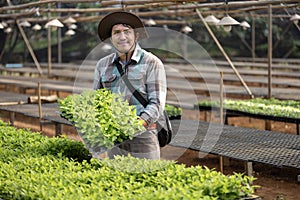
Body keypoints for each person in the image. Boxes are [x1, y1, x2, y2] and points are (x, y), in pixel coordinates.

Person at [93, 11, 167, 160]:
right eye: (116, 32)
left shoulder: (152, 62)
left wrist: (136, 124)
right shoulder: (102, 65)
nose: (122, 37)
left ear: (136, 36)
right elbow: (97, 100)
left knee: (148, 178)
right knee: (116, 180)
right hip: (115, 138)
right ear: (111, 38)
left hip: (144, 136)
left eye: (127, 31)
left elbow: (157, 103)